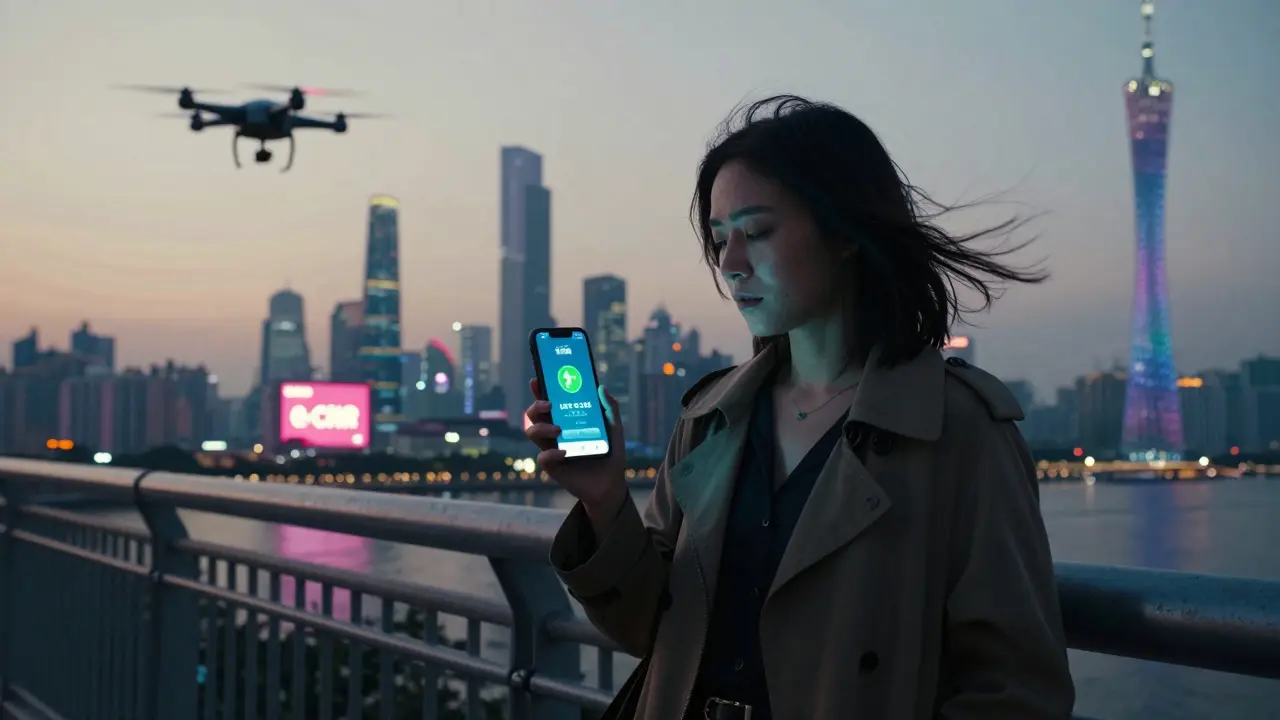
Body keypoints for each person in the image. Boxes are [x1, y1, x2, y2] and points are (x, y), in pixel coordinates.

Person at [525, 95, 1075, 719]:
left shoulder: (959, 429)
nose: (730, 264)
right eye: (719, 239)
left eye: (757, 233)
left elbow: (1014, 690)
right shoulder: (711, 418)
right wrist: (604, 501)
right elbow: (649, 629)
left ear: (844, 232)